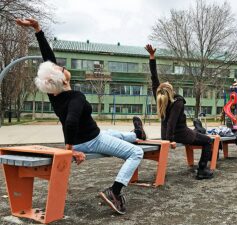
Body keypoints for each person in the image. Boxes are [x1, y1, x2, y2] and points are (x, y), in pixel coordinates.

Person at [16, 18, 147, 215]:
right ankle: (115, 191)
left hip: (85, 138)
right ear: (62, 79)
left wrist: (38, 30)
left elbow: (48, 60)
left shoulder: (54, 95)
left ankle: (136, 134)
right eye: (61, 69)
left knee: (117, 134)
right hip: (92, 141)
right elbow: (71, 122)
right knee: (136, 153)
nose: (62, 67)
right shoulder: (76, 97)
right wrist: (69, 150)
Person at [145, 44, 213, 180]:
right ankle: (202, 170)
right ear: (171, 90)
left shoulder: (160, 98)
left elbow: (154, 78)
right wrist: (170, 141)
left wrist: (152, 57)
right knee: (208, 141)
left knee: (198, 132)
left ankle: (198, 130)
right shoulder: (177, 103)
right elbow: (171, 122)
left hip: (167, 134)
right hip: (181, 134)